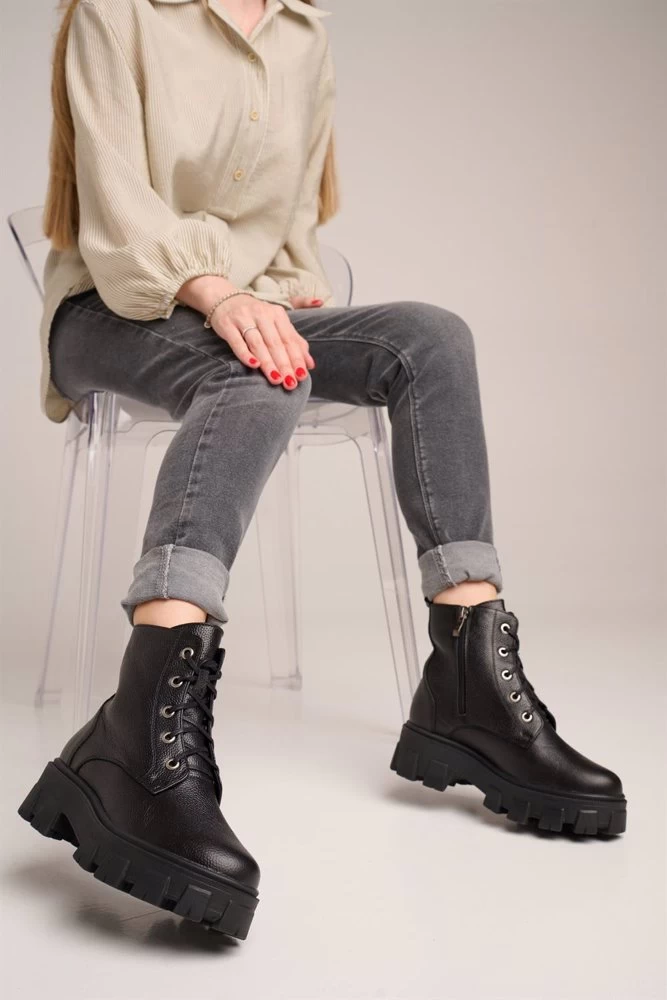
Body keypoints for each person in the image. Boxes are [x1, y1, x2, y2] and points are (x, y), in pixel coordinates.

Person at [18, 0, 627, 942]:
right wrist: (221, 297)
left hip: (240, 304)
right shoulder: (118, 11)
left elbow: (287, 216)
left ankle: (468, 682)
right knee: (256, 376)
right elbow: (115, 205)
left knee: (429, 339)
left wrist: (279, 288)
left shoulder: (301, 30)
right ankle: (131, 734)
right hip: (112, 304)